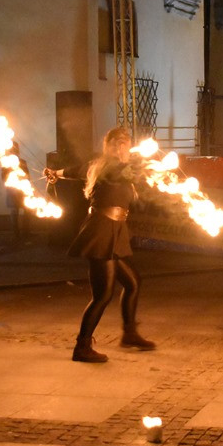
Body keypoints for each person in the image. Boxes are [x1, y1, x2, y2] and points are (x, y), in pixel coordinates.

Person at [43, 127, 155, 363]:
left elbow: (75, 170)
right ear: (108, 145)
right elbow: (123, 172)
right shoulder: (111, 167)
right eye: (115, 143)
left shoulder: (103, 165)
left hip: (116, 231)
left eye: (124, 143)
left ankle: (130, 334)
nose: (120, 147)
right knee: (103, 295)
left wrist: (56, 172)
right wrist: (149, 165)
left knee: (133, 282)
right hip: (102, 231)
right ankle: (81, 347)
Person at [2, 142, 30, 242]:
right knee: (14, 211)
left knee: (28, 210)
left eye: (16, 149)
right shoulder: (5, 163)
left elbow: (27, 175)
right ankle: (16, 234)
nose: (14, 151)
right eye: (12, 149)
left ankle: (26, 232)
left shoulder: (22, 162)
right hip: (12, 191)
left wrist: (26, 185)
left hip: (23, 190)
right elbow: (4, 178)